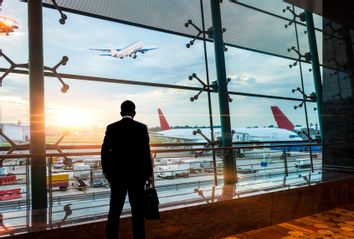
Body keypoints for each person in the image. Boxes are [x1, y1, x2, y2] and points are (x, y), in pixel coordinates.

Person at [101, 100, 153, 239]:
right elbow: (146, 153)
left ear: (121, 112)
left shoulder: (111, 127)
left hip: (117, 177)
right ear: (134, 113)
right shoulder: (142, 127)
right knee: (138, 212)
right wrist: (148, 175)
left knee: (114, 212)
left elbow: (104, 151)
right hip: (137, 177)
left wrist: (106, 172)